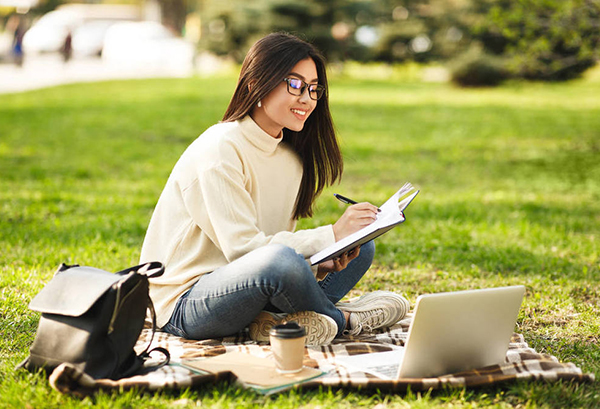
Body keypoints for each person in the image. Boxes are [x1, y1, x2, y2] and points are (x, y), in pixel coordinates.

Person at [139, 32, 409, 346]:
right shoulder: (220, 148)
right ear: (255, 83)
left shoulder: (292, 160)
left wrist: (322, 261)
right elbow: (247, 251)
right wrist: (328, 235)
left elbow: (269, 253)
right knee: (282, 262)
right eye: (294, 84)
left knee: (362, 246)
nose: (307, 99)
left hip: (250, 290)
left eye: (313, 88)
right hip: (183, 303)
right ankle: (345, 320)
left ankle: (282, 322)